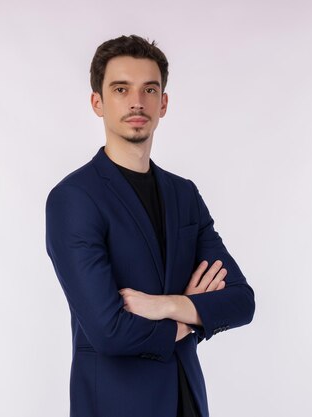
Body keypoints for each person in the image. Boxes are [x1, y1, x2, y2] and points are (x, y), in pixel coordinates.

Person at [45, 34, 255, 417]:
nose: (136, 102)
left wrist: (166, 305)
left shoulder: (183, 194)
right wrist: (189, 321)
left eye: (149, 89)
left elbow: (241, 301)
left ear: (164, 103)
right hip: (115, 405)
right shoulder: (74, 198)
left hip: (187, 400)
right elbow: (108, 331)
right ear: (98, 103)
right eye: (121, 89)